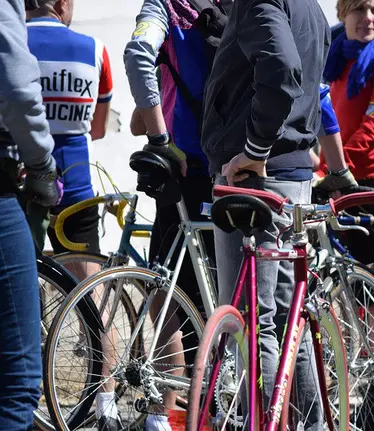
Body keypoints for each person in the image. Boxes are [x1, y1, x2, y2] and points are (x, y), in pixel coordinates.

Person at [200, 0, 348, 427]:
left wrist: (254, 149)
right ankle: (310, 423)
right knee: (286, 319)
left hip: (256, 178)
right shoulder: (311, 7)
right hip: (294, 171)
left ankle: (263, 422)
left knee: (251, 321)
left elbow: (282, 70)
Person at [123, 0, 219, 429]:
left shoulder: (163, 8)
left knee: (166, 289)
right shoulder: (230, 8)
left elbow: (137, 54)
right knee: (215, 292)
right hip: (227, 164)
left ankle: (167, 412)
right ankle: (208, 407)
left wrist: (159, 136)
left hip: (180, 165)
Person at [0, 0, 61, 428]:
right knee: (17, 378)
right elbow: (18, 90)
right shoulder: (92, 47)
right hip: (13, 181)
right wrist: (41, 164)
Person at [318, 0, 374, 265]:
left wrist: (332, 171)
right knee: (352, 282)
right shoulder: (339, 58)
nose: (368, 18)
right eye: (359, 9)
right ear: (343, 14)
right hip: (345, 177)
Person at [26, 0, 113, 282]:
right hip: (76, 184)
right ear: (63, 3)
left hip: (22, 185)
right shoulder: (95, 49)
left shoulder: (10, 42)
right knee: (90, 297)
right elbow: (98, 130)